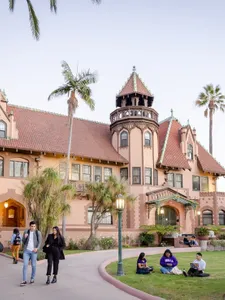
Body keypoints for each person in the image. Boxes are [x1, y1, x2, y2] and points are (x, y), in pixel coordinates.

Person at [20, 221, 42, 286]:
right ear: (29, 226)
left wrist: (37, 248)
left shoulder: (38, 233)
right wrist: (25, 237)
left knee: (33, 265)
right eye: (32, 226)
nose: (33, 227)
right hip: (26, 251)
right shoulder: (26, 232)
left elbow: (40, 242)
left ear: (35, 227)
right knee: (25, 265)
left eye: (34, 226)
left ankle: (32, 278)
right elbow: (23, 241)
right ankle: (24, 280)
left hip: (33, 251)